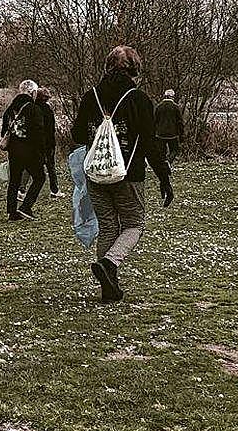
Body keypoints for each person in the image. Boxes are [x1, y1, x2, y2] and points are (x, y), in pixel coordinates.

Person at [71, 46, 174, 301]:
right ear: (134, 70)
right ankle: (109, 264)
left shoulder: (90, 96)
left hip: (95, 172)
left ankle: (109, 287)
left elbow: (77, 135)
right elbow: (150, 142)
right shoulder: (138, 99)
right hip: (128, 172)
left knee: (107, 226)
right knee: (134, 223)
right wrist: (164, 178)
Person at [2, 79, 47, 220]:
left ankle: (11, 211)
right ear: (33, 92)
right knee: (40, 177)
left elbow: (4, 131)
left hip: (13, 150)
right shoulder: (34, 109)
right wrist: (42, 154)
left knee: (14, 180)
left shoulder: (10, 110)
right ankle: (26, 206)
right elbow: (39, 133)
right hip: (30, 151)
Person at [37, 88, 64, 198]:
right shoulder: (47, 109)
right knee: (51, 167)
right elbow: (51, 128)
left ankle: (22, 189)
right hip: (48, 143)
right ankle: (55, 190)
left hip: (36, 143)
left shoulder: (33, 108)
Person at [154, 90, 185, 162]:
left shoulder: (159, 107)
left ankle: (163, 165)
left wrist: (154, 133)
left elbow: (155, 121)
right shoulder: (175, 107)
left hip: (160, 134)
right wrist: (181, 135)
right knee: (175, 150)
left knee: (161, 152)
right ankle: (169, 161)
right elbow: (180, 122)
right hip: (172, 134)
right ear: (172, 97)